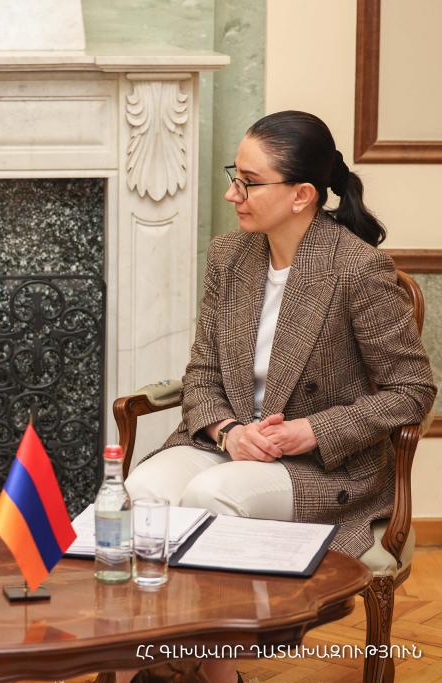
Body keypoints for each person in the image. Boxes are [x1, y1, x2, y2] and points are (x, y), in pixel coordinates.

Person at [124, 110, 436, 683]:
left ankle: (215, 674)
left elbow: (412, 390)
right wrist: (227, 431)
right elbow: (202, 372)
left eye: (248, 182)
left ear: (301, 195)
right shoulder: (229, 257)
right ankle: (166, 658)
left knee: (212, 495)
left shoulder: (357, 269)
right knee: (144, 491)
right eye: (234, 176)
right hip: (231, 441)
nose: (232, 194)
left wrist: (311, 430)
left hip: (319, 463)